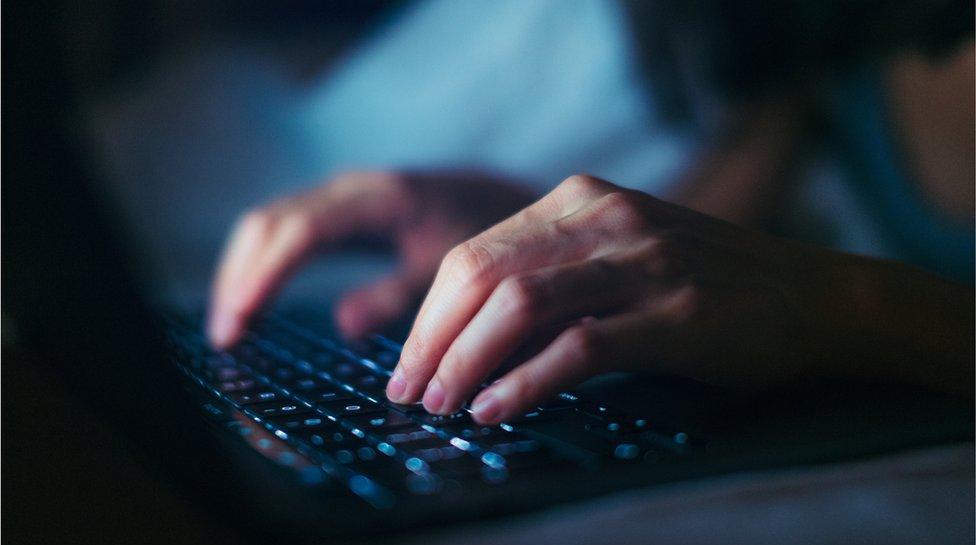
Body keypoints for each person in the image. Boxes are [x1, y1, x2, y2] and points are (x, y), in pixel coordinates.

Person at [207, 6, 974, 426]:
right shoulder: (831, 52)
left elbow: (795, 288)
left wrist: (844, 305)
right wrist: (534, 237)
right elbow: (725, 236)